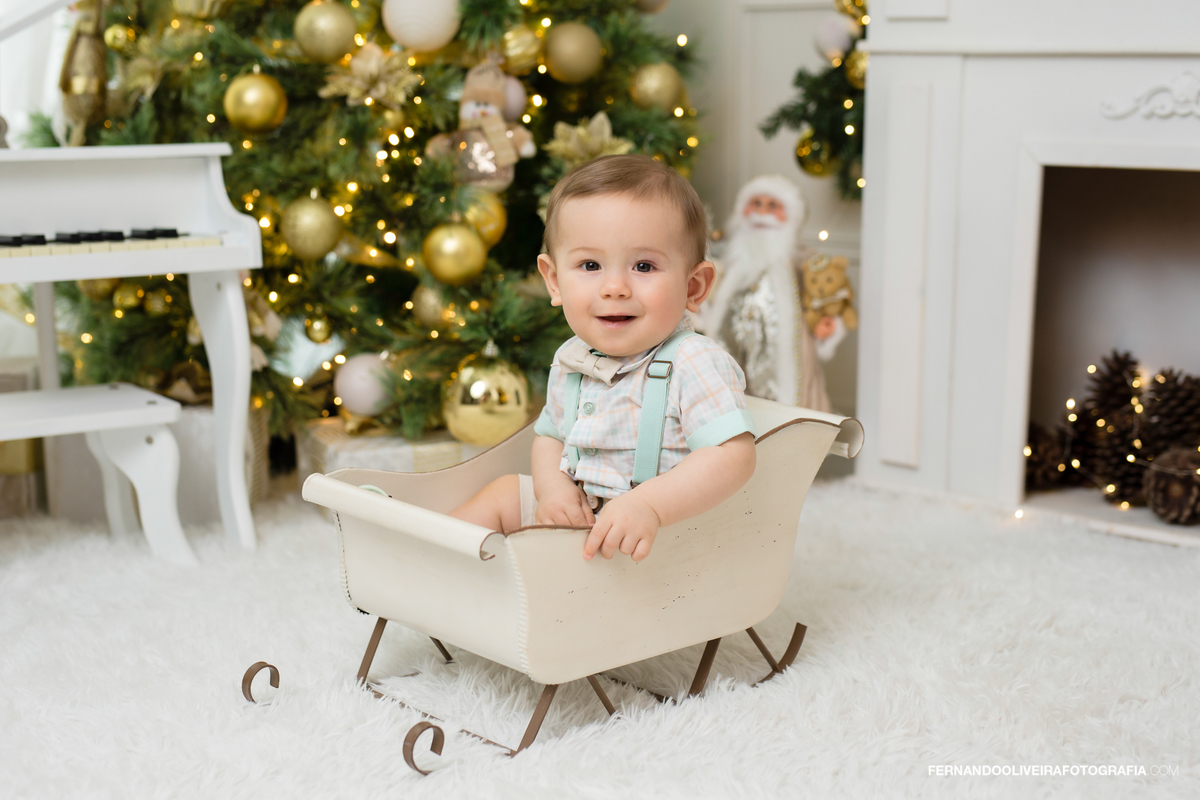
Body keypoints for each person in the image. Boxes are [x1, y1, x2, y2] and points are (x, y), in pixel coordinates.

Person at [449, 154, 757, 562]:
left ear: (694, 287)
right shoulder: (572, 358)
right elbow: (551, 437)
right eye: (590, 264)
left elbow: (732, 456)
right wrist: (553, 490)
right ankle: (431, 560)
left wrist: (650, 505)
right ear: (555, 281)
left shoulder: (693, 361)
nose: (614, 287)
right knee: (505, 492)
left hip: (656, 533)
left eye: (643, 266)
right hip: (582, 511)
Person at [699, 175, 835, 413]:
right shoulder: (730, 258)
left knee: (788, 403)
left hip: (781, 348)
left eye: (773, 206)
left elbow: (824, 294)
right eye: (756, 204)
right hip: (732, 345)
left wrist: (827, 320)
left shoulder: (801, 259)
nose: (762, 213)